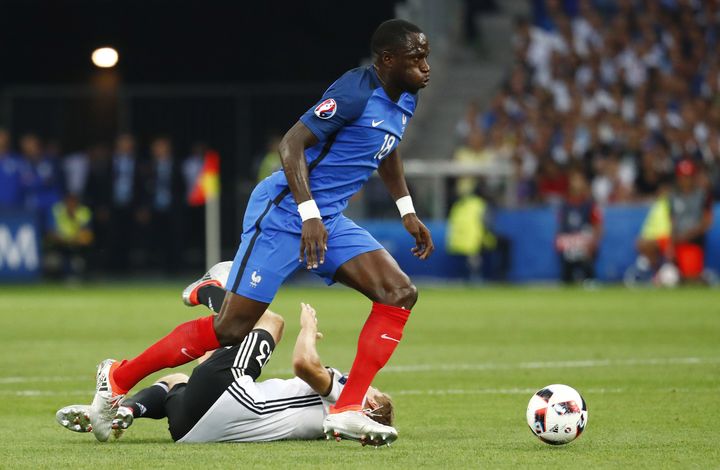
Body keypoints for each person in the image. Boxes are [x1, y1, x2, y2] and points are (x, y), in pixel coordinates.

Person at [89, 19, 433, 446]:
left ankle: (347, 409)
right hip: (286, 213)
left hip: (327, 218)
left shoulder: (404, 99)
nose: (426, 66)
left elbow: (387, 149)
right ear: (387, 60)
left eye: (427, 56)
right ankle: (117, 376)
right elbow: (290, 145)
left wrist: (407, 210)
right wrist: (308, 214)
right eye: (417, 57)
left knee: (398, 292)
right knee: (232, 329)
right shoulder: (355, 91)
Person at [57, 301, 395, 445]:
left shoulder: (350, 400)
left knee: (271, 322)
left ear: (372, 405)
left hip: (231, 396)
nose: (369, 383)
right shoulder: (329, 425)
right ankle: (126, 410)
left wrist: (308, 329)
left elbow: (304, 365)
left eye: (377, 390)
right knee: (178, 382)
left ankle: (210, 292)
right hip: (192, 432)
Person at [635, 160, 713, 282]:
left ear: (693, 177)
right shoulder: (673, 196)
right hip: (675, 240)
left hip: (692, 242)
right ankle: (654, 273)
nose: (685, 180)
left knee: (691, 279)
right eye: (682, 177)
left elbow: (707, 222)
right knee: (644, 243)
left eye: (688, 177)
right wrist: (671, 244)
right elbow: (672, 222)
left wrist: (686, 236)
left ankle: (697, 278)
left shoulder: (702, 195)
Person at [555, 168, 602, 283]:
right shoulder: (565, 205)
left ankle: (590, 279)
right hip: (569, 242)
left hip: (585, 241)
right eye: (574, 180)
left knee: (585, 259)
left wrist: (593, 242)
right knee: (567, 267)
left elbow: (598, 226)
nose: (577, 183)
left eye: (579, 180)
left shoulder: (590, 205)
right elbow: (560, 228)